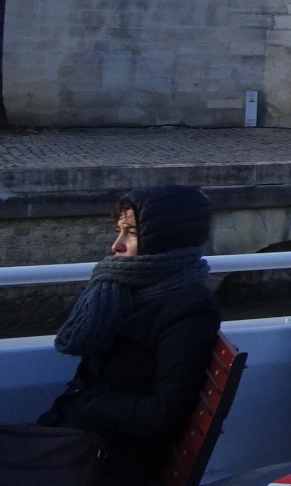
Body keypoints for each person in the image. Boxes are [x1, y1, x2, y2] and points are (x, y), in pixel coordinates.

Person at [37, 185, 221, 485]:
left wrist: (86, 405)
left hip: (112, 459)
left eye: (130, 233)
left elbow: (165, 413)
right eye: (118, 230)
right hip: (84, 438)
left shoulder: (189, 309)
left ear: (163, 238)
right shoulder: (124, 290)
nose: (116, 245)